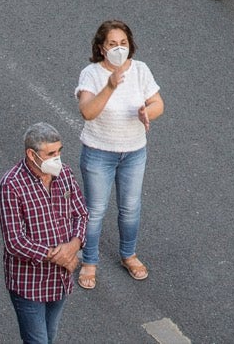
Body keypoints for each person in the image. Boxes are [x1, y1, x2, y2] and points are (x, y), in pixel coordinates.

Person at [75, 21, 163, 290]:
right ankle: (89, 262)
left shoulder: (140, 70)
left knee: (130, 208)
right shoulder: (91, 74)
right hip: (99, 153)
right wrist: (110, 86)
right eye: (112, 44)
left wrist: (147, 113)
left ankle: (129, 254)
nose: (118, 49)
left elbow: (158, 103)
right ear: (101, 48)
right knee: (96, 210)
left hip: (134, 152)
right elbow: (87, 112)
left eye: (123, 43)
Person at [0, 122, 87, 344]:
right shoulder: (11, 186)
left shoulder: (64, 174)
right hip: (29, 284)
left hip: (60, 280)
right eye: (51, 153)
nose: (57, 158)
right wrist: (61, 256)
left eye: (59, 151)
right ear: (31, 154)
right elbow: (15, 242)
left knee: (50, 336)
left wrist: (73, 246)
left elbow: (81, 214)